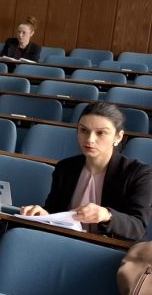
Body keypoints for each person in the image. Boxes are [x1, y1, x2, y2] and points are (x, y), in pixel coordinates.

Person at [21, 101, 152, 240]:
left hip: (107, 249)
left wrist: (107, 215)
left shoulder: (139, 174)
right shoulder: (65, 168)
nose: (90, 139)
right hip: (64, 242)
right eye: (84, 130)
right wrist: (44, 215)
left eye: (100, 133)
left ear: (118, 137)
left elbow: (138, 227)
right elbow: (55, 211)